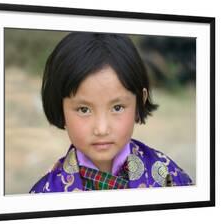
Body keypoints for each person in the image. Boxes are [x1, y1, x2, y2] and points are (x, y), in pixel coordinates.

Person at [29, 32, 193, 193]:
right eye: (84, 109)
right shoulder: (47, 192)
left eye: (117, 108)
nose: (101, 129)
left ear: (139, 103)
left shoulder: (167, 176)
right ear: (60, 108)